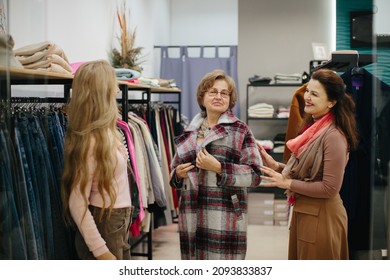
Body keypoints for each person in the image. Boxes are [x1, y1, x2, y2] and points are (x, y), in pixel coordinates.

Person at [258, 68, 359, 260]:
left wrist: (287, 183)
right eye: (307, 91)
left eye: (314, 94)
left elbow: (329, 187)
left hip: (322, 218)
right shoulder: (314, 128)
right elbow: (309, 172)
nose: (307, 97)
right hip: (307, 213)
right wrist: (276, 165)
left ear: (332, 102)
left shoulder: (333, 136)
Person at [170, 69, 263, 260]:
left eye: (224, 93)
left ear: (230, 99)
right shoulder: (190, 132)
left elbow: (255, 175)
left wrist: (220, 168)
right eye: (213, 92)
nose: (218, 96)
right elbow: (173, 173)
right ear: (202, 97)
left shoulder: (240, 130)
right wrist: (177, 174)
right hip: (191, 215)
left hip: (224, 215)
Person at [61, 60, 133, 260]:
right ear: (101, 92)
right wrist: (100, 251)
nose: (118, 90)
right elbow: (77, 201)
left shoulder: (108, 132)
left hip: (117, 222)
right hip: (105, 227)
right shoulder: (90, 141)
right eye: (113, 85)